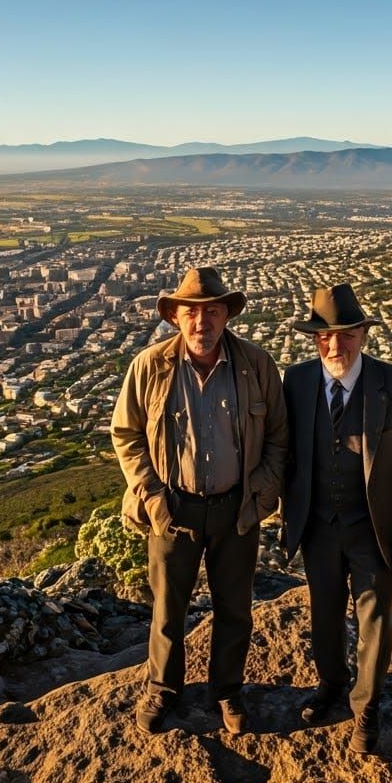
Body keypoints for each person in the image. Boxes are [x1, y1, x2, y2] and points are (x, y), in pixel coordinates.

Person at [112, 266, 288, 735]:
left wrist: (262, 496)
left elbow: (278, 437)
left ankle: (226, 690)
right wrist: (151, 498)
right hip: (173, 506)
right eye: (191, 312)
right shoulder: (150, 367)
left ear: (227, 314)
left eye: (212, 311)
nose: (201, 322)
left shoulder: (256, 365)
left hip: (236, 508)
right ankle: (163, 688)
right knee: (169, 608)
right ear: (175, 317)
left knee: (235, 608)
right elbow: (126, 434)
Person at [282, 283, 392, 754]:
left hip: (375, 530)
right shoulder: (297, 381)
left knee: (375, 623)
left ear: (364, 334)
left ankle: (366, 707)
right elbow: (286, 457)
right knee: (323, 615)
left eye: (346, 335)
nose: (335, 345)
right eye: (324, 337)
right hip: (318, 526)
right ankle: (330, 685)